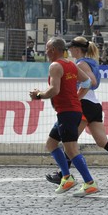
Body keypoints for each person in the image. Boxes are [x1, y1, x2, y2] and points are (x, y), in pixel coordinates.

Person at [44, 36, 108, 186]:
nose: (68, 50)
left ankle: (64, 174)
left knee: (70, 143)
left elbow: (92, 82)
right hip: (93, 104)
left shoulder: (81, 63)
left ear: (76, 49)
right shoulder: (88, 62)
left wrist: (77, 96)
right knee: (102, 141)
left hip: (85, 104)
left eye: (70, 48)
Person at [28, 37, 99, 197]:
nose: (45, 52)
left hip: (67, 112)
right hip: (70, 111)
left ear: (53, 50)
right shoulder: (71, 64)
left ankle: (89, 183)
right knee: (51, 144)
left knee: (72, 150)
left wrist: (38, 95)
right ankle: (67, 178)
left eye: (47, 49)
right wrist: (76, 97)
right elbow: (87, 82)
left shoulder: (55, 66)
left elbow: (54, 90)